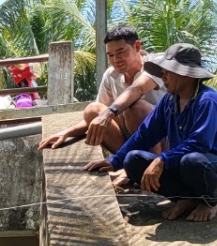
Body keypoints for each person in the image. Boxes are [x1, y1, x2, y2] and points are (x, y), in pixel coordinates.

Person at [84, 43, 217, 222]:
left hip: (212, 169)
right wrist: (115, 161)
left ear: (186, 74)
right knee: (133, 160)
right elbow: (145, 134)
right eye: (162, 72)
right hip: (181, 166)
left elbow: (200, 143)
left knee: (193, 161)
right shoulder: (169, 101)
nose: (163, 77)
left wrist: (162, 159)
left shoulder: (207, 100)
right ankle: (185, 198)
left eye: (168, 72)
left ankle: (210, 201)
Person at [37, 24, 166, 153]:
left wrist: (109, 113)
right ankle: (126, 161)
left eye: (121, 52)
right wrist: (66, 133)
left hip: (165, 136)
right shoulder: (110, 75)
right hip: (132, 138)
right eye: (110, 55)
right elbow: (97, 119)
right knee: (93, 110)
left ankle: (154, 163)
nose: (116, 59)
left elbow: (138, 89)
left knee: (135, 108)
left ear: (137, 46)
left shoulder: (156, 63)